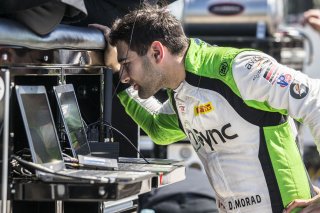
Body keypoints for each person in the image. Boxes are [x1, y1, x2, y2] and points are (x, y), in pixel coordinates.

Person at [98, 5, 320, 212]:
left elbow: (314, 99)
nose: (125, 76)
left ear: (157, 52)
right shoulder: (180, 92)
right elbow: (159, 129)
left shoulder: (239, 69)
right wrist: (116, 74)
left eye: (126, 64)